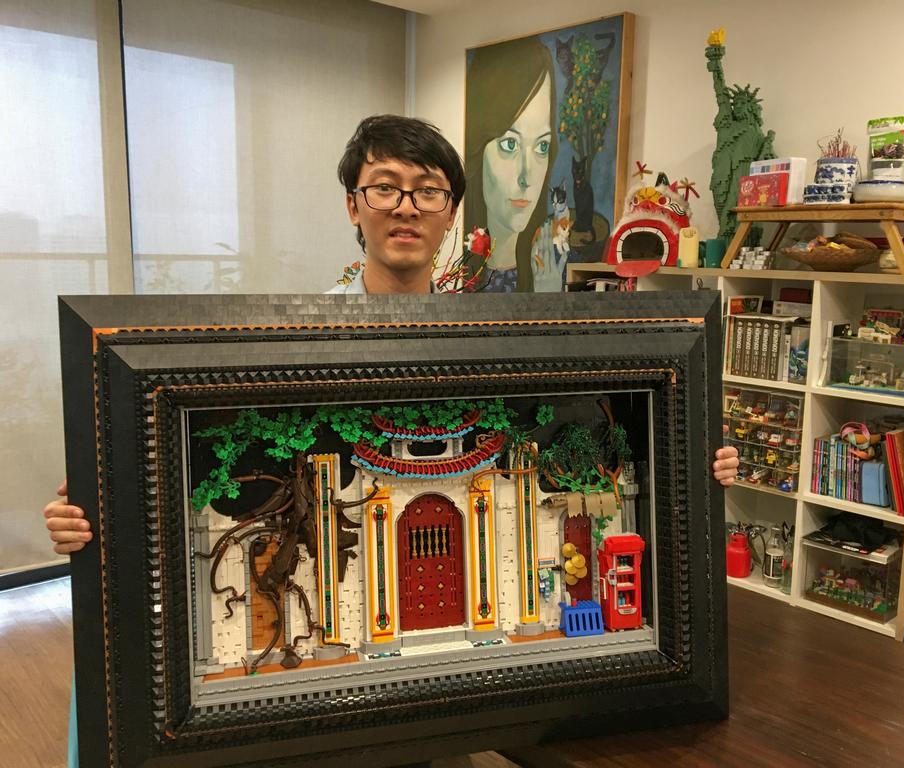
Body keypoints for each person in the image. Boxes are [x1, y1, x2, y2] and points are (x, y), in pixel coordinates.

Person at [43, 114, 739, 767]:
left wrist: (691, 458)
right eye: (385, 187)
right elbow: (183, 453)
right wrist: (102, 498)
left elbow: (591, 425)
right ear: (354, 205)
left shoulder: (503, 340)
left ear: (451, 211)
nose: (406, 207)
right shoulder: (284, 345)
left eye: (428, 190)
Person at [463, 37, 567, 293]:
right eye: (510, 144)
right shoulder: (452, 262)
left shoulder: (557, 263)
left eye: (541, 147)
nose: (527, 176)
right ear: (478, 148)